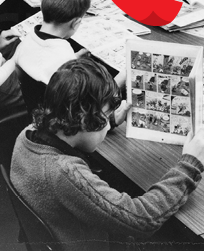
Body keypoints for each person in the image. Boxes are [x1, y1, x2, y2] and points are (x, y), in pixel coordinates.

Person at [11, 58, 204, 251]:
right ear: (86, 121)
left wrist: (108, 121)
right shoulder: (65, 174)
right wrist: (190, 164)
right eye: (104, 116)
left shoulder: (27, 134)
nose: (106, 121)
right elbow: (142, 219)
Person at [13, 0, 91, 85]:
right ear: (76, 23)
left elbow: (45, 62)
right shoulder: (67, 62)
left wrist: (74, 57)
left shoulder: (24, 42)